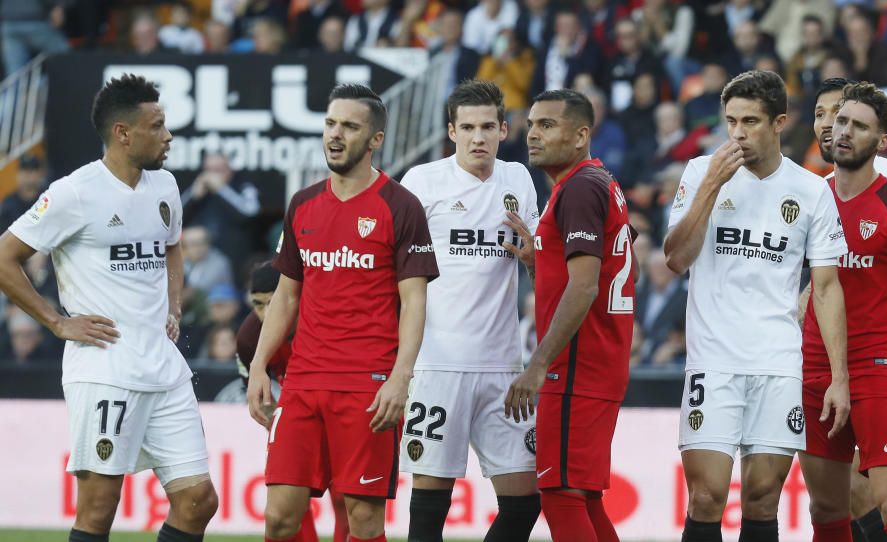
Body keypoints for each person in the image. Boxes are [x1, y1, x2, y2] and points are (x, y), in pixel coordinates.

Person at [0, 74, 218, 541]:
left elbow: (173, 246)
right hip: (105, 369)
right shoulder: (75, 193)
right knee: (99, 509)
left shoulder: (165, 186)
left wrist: (173, 304)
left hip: (163, 365)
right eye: (156, 125)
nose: (168, 135)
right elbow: (4, 257)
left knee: (199, 500)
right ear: (123, 133)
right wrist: (56, 322)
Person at [245, 84, 438, 542]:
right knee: (278, 518)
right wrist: (258, 366)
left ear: (375, 140)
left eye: (350, 126)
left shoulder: (400, 206)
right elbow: (286, 298)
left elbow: (414, 301)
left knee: (363, 522)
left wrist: (399, 377)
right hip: (304, 381)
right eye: (330, 123)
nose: (335, 134)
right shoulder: (303, 204)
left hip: (367, 384)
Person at [662, 70, 849, 542]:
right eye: (731, 121)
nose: (738, 133)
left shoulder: (811, 191)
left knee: (763, 497)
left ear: (779, 122)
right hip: (714, 359)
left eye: (750, 121)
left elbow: (826, 289)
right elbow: (675, 258)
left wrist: (840, 378)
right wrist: (710, 186)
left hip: (779, 362)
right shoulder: (700, 172)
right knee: (706, 496)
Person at [399, 80, 541, 542]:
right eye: (467, 128)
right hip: (439, 363)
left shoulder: (518, 178)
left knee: (525, 502)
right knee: (429, 508)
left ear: (503, 130)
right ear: (451, 131)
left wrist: (534, 257)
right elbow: (395, 272)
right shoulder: (422, 183)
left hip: (503, 366)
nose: (478, 137)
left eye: (487, 127)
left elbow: (540, 266)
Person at [801, 81, 887, 542]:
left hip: (877, 367)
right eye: (840, 121)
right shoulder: (809, 198)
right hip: (815, 367)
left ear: (881, 141)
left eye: (858, 126)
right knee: (826, 507)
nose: (843, 132)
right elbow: (807, 289)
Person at [504, 89, 635, 542]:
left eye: (547, 125)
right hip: (601, 361)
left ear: (581, 135)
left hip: (578, 366)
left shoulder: (578, 188)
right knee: (581, 496)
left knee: (560, 495)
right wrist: (541, 259)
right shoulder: (600, 182)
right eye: (533, 124)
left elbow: (585, 284)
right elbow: (599, 263)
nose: (533, 134)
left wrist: (537, 365)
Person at [235, 262, 349, 542]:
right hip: (296, 408)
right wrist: (279, 426)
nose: (263, 314)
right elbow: (260, 400)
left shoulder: (326, 322)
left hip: (338, 402)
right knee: (288, 497)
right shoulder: (250, 339)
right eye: (257, 305)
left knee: (345, 500)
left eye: (271, 304)